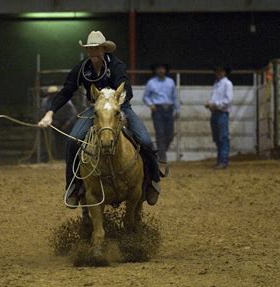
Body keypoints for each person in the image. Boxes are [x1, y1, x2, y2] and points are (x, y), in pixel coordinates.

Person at [38, 31, 161, 207]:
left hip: (120, 107)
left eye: (96, 48)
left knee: (146, 142)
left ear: (104, 49)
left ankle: (152, 182)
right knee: (73, 141)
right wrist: (50, 112)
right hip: (95, 109)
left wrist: (116, 104)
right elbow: (67, 90)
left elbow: (126, 87)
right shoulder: (82, 68)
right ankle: (73, 185)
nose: (93, 52)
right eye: (90, 49)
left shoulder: (116, 65)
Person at [143, 64, 180, 162]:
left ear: (165, 70)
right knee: (160, 133)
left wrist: (177, 109)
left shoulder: (170, 82)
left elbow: (175, 96)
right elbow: (146, 96)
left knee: (170, 134)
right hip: (157, 109)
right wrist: (151, 104)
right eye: (158, 68)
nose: (160, 70)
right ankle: (162, 157)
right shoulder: (151, 83)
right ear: (155, 70)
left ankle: (161, 152)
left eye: (162, 68)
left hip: (169, 109)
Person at [205, 65, 234, 169]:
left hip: (221, 113)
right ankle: (221, 160)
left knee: (222, 137)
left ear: (225, 72)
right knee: (218, 138)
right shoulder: (217, 84)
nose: (218, 72)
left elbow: (228, 101)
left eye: (220, 70)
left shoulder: (227, 83)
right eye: (217, 70)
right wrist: (211, 104)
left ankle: (223, 161)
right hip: (216, 112)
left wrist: (213, 104)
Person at [39, 86, 77, 159]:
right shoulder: (46, 102)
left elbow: (73, 114)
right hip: (53, 123)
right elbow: (43, 113)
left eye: (54, 94)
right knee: (55, 141)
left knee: (66, 140)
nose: (53, 95)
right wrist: (50, 122)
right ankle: (55, 156)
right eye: (51, 94)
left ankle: (66, 156)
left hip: (66, 123)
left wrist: (67, 124)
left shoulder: (66, 101)